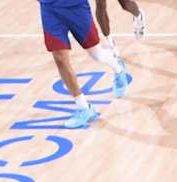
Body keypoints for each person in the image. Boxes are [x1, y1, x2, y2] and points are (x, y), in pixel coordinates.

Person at [37, 0, 131, 128]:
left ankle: (118, 69)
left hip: (76, 7)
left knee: (96, 54)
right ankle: (84, 108)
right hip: (50, 9)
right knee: (59, 57)